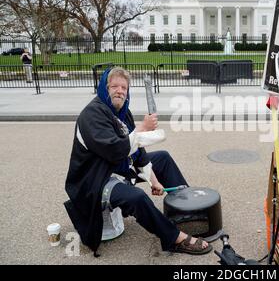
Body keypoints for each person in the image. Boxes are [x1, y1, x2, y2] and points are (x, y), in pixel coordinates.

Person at [64, 66, 212, 256]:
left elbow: (137, 151)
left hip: (116, 168)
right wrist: (142, 128)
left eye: (124, 88)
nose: (119, 91)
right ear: (104, 88)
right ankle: (174, 238)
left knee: (163, 158)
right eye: (114, 86)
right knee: (136, 197)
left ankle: (185, 212)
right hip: (94, 180)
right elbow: (115, 150)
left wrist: (154, 180)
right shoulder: (91, 115)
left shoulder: (123, 112)